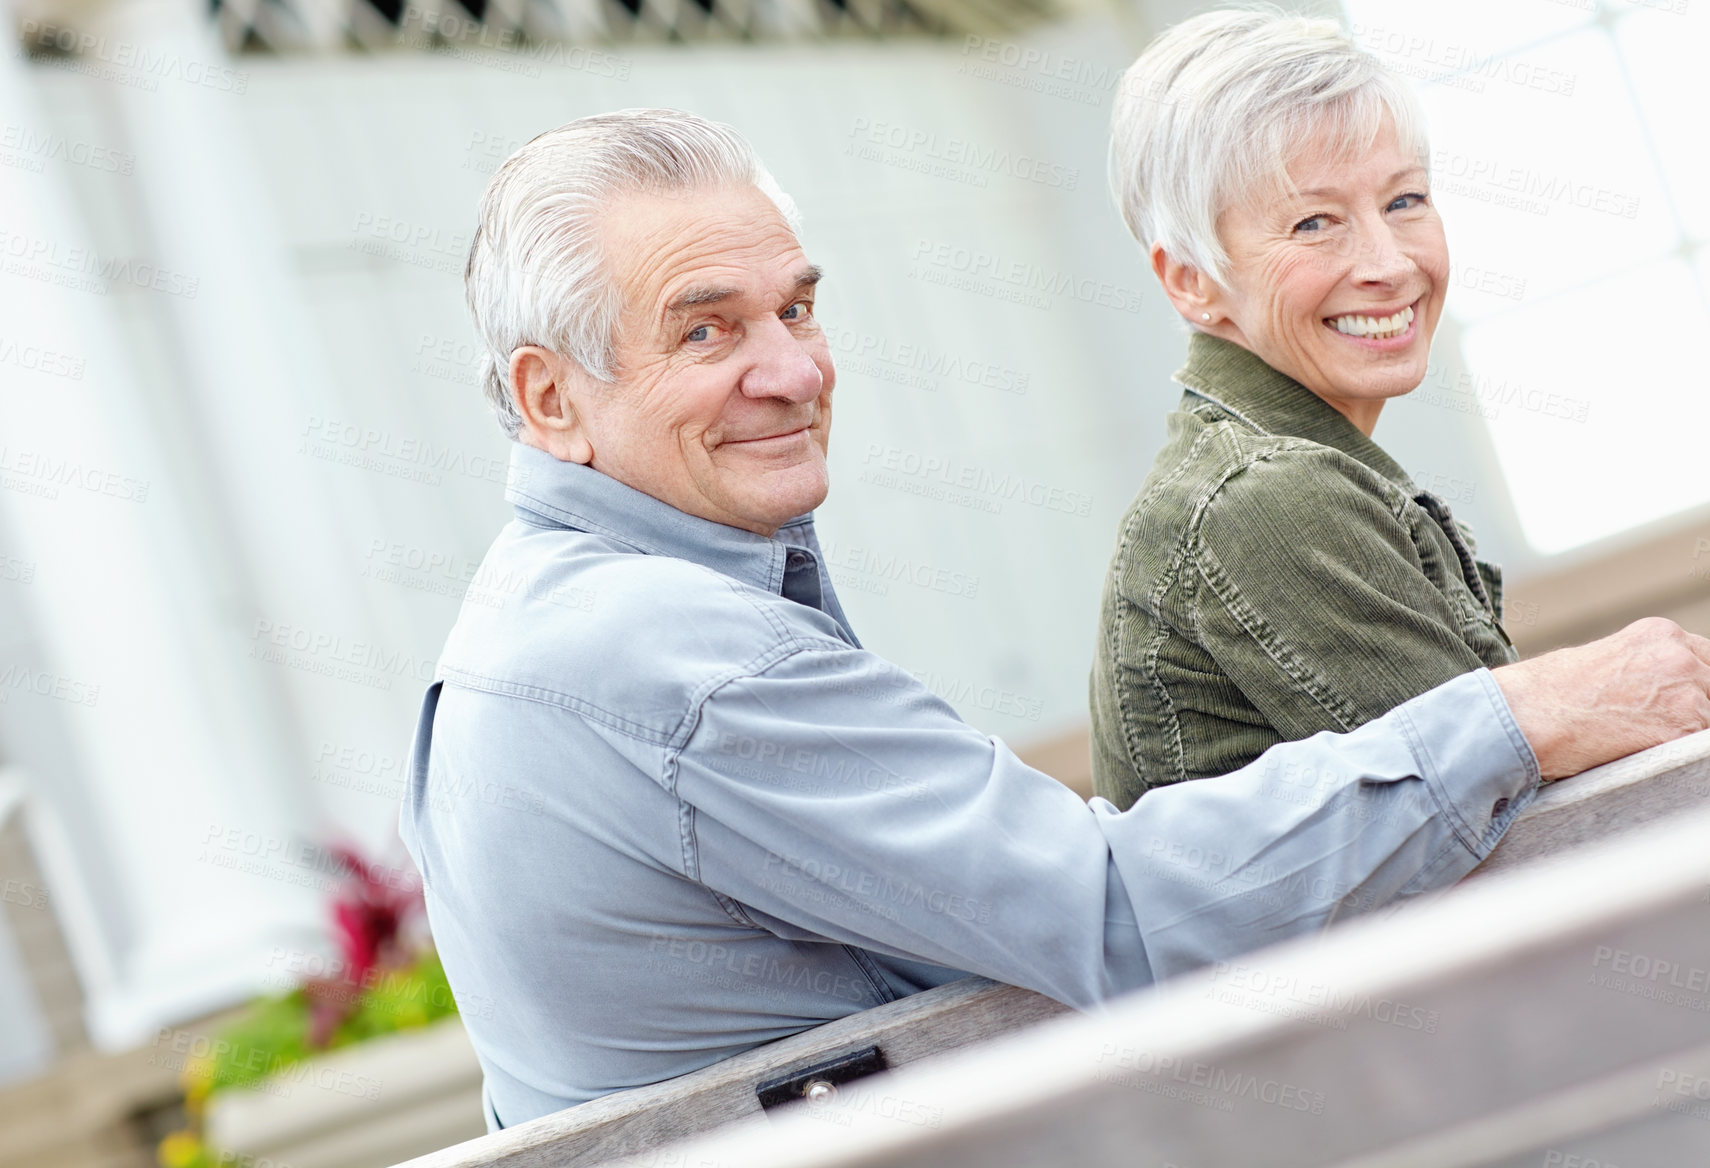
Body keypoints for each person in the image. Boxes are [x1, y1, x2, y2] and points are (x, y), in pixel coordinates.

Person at [399, 107, 1710, 1130]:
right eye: (706, 331)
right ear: (551, 397)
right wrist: (1513, 718)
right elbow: (1120, 918)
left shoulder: (525, 641)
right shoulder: (671, 665)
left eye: (796, 307)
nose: (795, 369)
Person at [1090, 10, 1522, 809]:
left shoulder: (1284, 470)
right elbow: (1520, 802)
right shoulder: (1264, 499)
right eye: (1313, 223)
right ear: (1191, 279)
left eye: (1405, 201)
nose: (1389, 265)